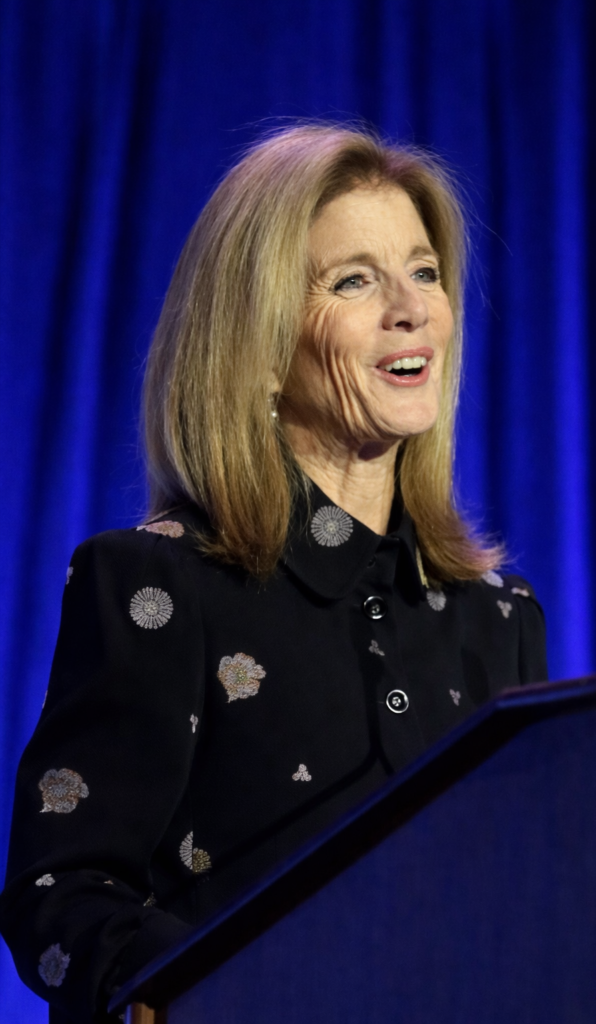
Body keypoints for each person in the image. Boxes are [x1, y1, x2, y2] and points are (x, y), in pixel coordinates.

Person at [0, 124, 547, 1023]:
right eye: (353, 281)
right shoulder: (156, 587)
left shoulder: (498, 618)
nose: (411, 309)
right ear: (255, 347)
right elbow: (63, 896)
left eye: (424, 271)